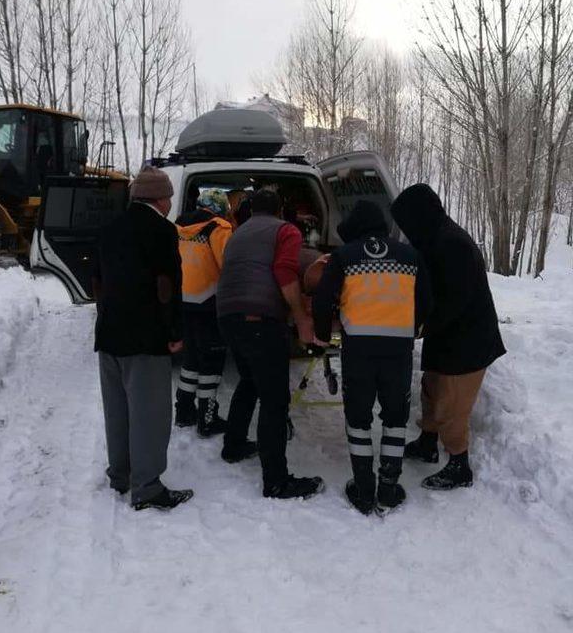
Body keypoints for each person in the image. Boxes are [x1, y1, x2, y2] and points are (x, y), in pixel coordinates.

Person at [312, 200, 432, 514]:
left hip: (359, 351)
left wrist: (323, 336)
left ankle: (364, 488)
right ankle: (389, 488)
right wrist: (412, 327)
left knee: (358, 418)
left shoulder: (344, 256)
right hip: (398, 351)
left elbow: (323, 298)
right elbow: (426, 300)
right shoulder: (411, 256)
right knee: (395, 418)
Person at [390, 184, 506, 490]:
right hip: (447, 337)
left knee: (451, 406)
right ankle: (427, 443)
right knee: (431, 390)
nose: (406, 231)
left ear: (420, 216)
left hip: (468, 341)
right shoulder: (436, 238)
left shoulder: (452, 244)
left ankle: (459, 465)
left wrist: (418, 327)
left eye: (407, 223)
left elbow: (453, 300)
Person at [93, 166, 193, 511]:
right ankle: (147, 487)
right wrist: (175, 331)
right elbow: (167, 285)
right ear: (162, 199)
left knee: (117, 410)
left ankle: (120, 473)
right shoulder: (162, 230)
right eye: (169, 197)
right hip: (145, 335)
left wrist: (105, 318)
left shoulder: (108, 228)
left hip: (109, 334)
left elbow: (99, 283)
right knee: (149, 413)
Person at [217, 188, 324, 499]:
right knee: (275, 399)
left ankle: (234, 445)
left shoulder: (238, 234)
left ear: (250, 211)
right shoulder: (285, 230)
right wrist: (302, 317)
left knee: (249, 380)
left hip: (227, 316)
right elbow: (284, 270)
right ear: (279, 211)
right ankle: (276, 481)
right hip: (259, 318)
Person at [174, 189, 233, 435]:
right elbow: (228, 265)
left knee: (191, 358)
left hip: (182, 300)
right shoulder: (219, 228)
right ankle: (207, 419)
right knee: (211, 361)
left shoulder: (178, 226)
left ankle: (184, 411)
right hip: (209, 302)